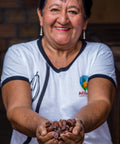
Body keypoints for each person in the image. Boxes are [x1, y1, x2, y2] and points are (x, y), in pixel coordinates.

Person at [0, 0, 116, 144]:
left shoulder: (98, 53)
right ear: (41, 16)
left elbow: (101, 102)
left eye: (73, 11)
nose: (63, 19)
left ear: (85, 21)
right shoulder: (20, 54)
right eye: (55, 9)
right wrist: (42, 128)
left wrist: (79, 125)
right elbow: (16, 108)